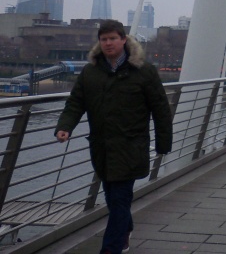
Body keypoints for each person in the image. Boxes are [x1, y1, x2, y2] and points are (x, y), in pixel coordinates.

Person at [55, 20, 172, 254]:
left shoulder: (143, 71)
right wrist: (65, 126)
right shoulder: (91, 72)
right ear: (99, 42)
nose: (108, 43)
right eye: (104, 39)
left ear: (123, 40)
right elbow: (76, 102)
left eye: (113, 38)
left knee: (119, 199)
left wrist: (163, 143)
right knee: (112, 197)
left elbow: (160, 108)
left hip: (130, 146)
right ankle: (125, 228)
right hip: (101, 147)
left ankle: (111, 249)